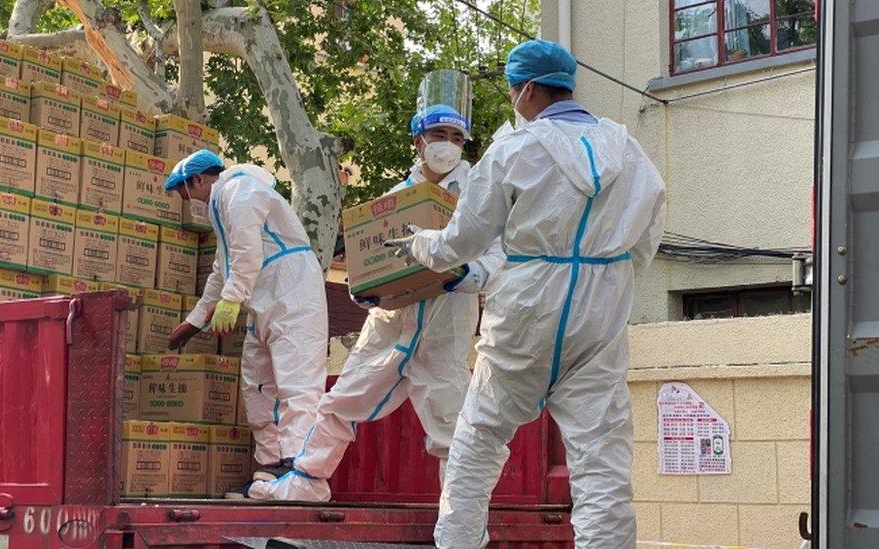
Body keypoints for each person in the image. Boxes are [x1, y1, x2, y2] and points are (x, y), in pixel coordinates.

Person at [385, 40, 666, 548]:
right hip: (599, 310)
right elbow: (649, 234)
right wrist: (609, 276)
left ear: (529, 89)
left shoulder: (514, 149)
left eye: (514, 88)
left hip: (527, 308)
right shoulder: (627, 148)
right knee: (601, 461)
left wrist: (421, 244)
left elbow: (463, 242)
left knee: (477, 440)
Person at [247, 98, 505, 503]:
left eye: (457, 138)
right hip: (390, 326)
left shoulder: (478, 197)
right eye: (439, 135)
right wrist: (364, 293)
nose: (448, 144)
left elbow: (495, 257)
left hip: (443, 328)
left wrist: (466, 276)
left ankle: (460, 519)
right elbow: (370, 265)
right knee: (339, 403)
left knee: (451, 428)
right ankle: (306, 483)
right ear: (419, 141)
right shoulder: (394, 200)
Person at [165, 151, 329, 500]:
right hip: (263, 299)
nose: (184, 200)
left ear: (197, 180)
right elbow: (221, 268)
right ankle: (270, 468)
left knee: (296, 382)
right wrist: (195, 320)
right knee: (258, 384)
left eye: (182, 191)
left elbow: (246, 251)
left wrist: (232, 298)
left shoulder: (240, 190)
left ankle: (301, 469)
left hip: (293, 291)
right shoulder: (219, 206)